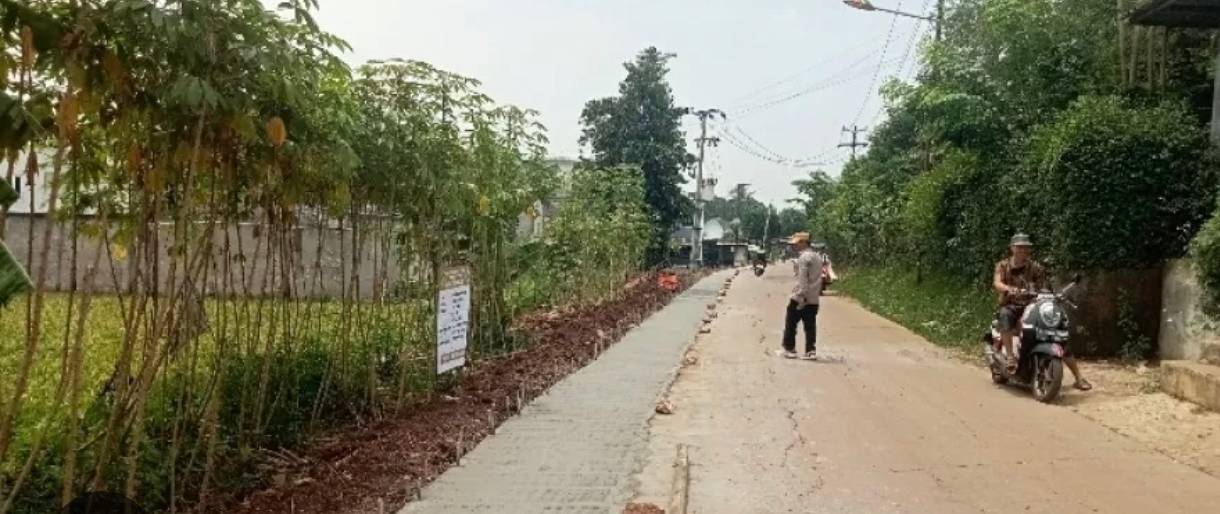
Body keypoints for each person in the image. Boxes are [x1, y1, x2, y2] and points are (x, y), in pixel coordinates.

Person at [992, 233, 1093, 390]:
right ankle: (1011, 357)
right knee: (1005, 315)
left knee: (1057, 333)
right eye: (1019, 247)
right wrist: (1008, 289)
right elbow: (997, 283)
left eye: (1026, 247)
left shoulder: (1035, 267)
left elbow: (1044, 286)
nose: (1023, 250)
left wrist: (1052, 295)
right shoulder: (1003, 265)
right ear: (1012, 248)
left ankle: (1079, 378)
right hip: (1012, 304)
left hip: (1033, 305)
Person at [782, 232, 823, 360]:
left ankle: (789, 348)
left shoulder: (804, 258)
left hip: (802, 296)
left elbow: (803, 280)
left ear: (804, 243)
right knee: (810, 324)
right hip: (814, 298)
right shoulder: (817, 257)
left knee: (791, 321)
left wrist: (801, 297)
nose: (795, 246)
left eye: (797, 243)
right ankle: (810, 350)